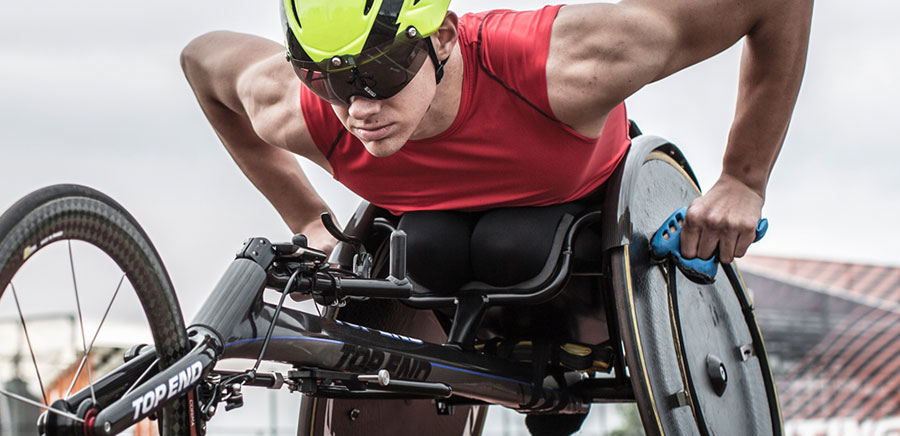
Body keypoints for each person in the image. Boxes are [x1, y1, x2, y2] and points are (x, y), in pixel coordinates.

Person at [181, 0, 812, 265]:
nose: (359, 108)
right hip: (434, 236)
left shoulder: (565, 66)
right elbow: (201, 60)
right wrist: (307, 219)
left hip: (583, 211)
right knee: (427, 250)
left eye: (378, 74)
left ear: (444, 38)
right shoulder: (305, 112)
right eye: (328, 80)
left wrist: (742, 178)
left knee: (517, 245)